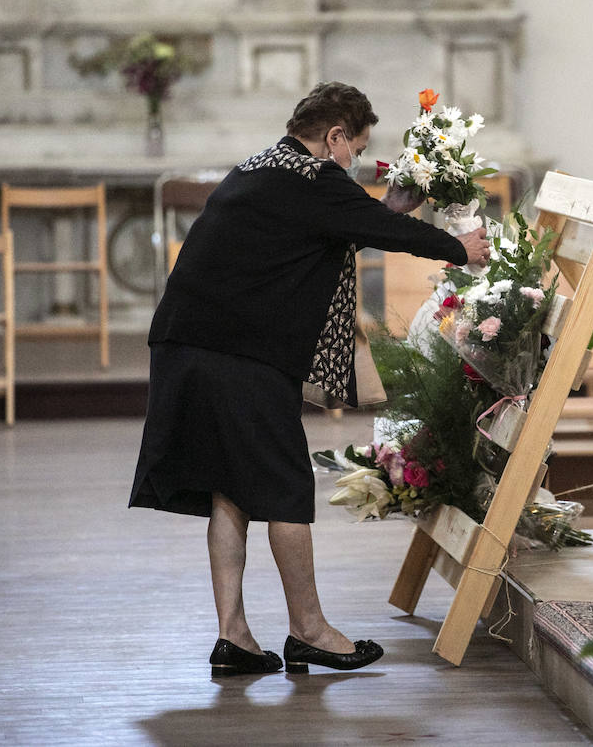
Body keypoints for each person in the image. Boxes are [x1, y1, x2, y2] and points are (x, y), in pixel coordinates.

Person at [129, 81, 490, 676]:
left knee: (232, 486)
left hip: (187, 345)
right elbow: (380, 229)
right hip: (236, 352)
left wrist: (389, 209)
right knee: (286, 484)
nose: (352, 161)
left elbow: (349, 220)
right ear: (334, 136)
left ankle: (235, 637)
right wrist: (458, 246)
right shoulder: (311, 178)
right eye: (355, 148)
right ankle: (310, 630)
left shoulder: (263, 168)